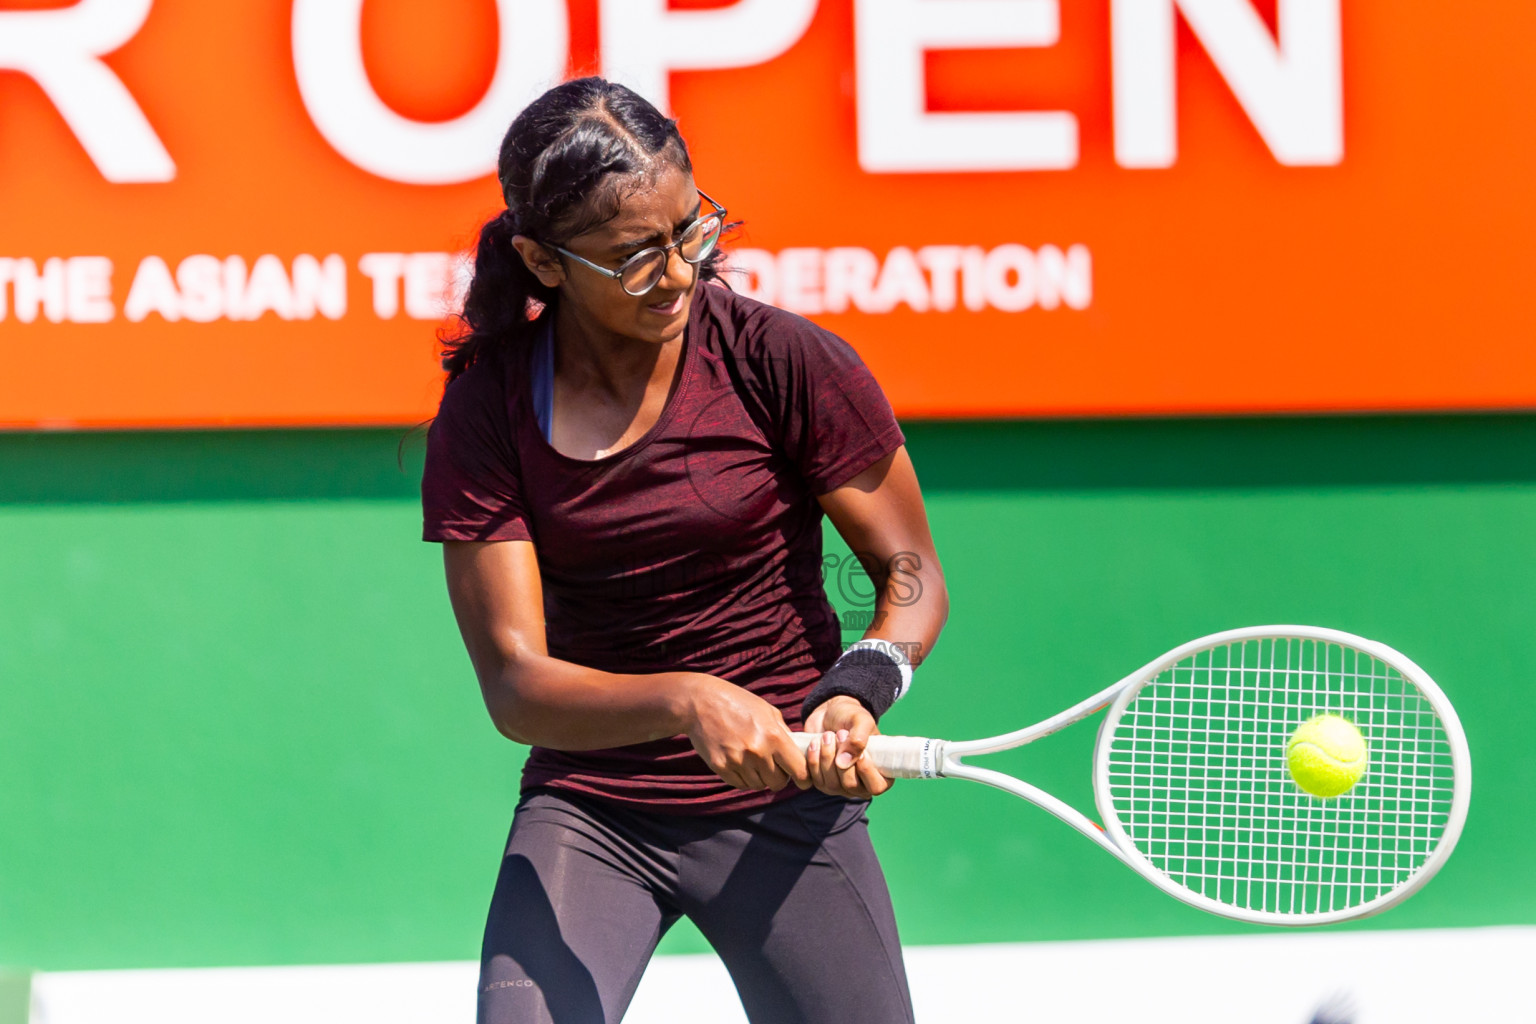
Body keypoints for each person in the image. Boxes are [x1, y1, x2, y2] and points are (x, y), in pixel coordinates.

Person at [421, 77, 948, 1024]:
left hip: (784, 801)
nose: (675, 274)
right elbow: (514, 685)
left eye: (688, 233)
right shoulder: (488, 407)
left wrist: (856, 688)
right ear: (543, 262)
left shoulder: (783, 359)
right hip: (593, 811)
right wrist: (683, 699)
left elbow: (912, 577)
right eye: (632, 258)